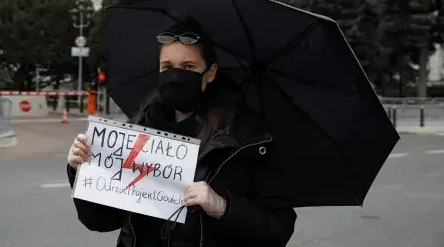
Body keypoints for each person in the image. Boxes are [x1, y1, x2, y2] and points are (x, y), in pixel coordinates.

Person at [66, 18, 296, 247]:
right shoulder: (137, 131)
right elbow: (101, 220)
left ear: (211, 73)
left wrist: (222, 207)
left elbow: (278, 230)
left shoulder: (245, 139)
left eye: (188, 67)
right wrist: (82, 171)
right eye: (167, 67)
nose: (176, 77)